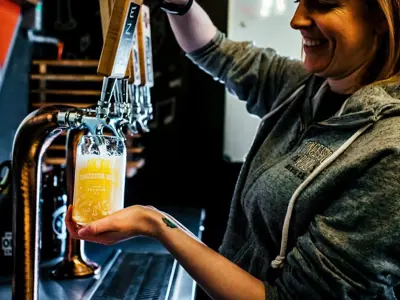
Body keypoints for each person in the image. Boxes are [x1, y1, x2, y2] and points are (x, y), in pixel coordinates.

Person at [66, 0, 400, 298]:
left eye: (323, 4)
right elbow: (214, 50)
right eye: (299, 1)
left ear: (384, 18)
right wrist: (180, 5)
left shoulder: (390, 151)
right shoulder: (306, 88)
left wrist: (154, 224)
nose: (297, 19)